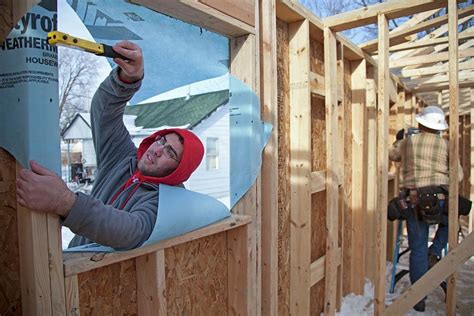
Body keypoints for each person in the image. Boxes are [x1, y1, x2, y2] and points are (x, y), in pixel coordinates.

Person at [16, 41, 204, 250]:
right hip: (73, 263)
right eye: (161, 140)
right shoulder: (122, 157)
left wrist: (65, 202)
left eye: (170, 152)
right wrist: (127, 80)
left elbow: (131, 231)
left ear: (180, 170)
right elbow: (104, 113)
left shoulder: (167, 201)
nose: (158, 149)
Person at [389, 105, 463, 312]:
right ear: (440, 128)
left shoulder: (407, 143)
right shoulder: (448, 146)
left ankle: (419, 298)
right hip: (440, 201)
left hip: (414, 202)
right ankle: (436, 250)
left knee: (417, 250)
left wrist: (399, 139)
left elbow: (391, 155)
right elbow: (458, 176)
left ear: (420, 123)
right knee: (451, 223)